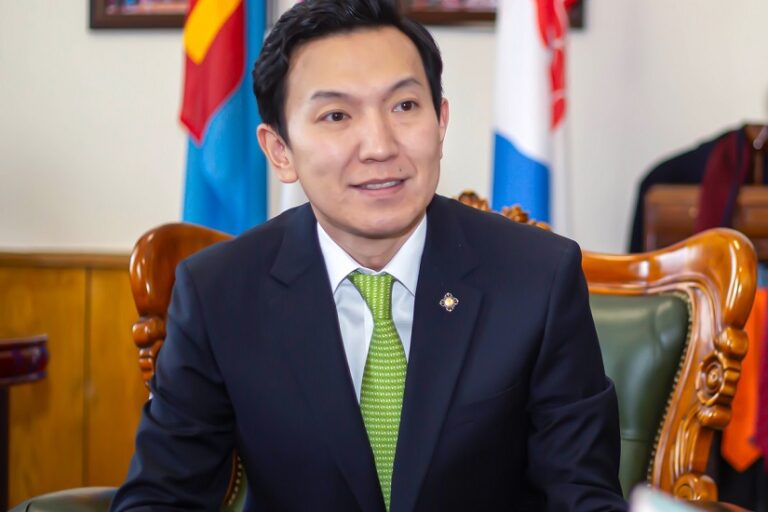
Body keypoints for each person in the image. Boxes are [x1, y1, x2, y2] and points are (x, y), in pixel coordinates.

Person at [111, 0, 627, 510]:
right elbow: (160, 500)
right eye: (336, 115)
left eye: (404, 106)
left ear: (441, 122)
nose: (379, 146)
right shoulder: (218, 293)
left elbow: (583, 497)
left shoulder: (538, 277)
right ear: (280, 151)